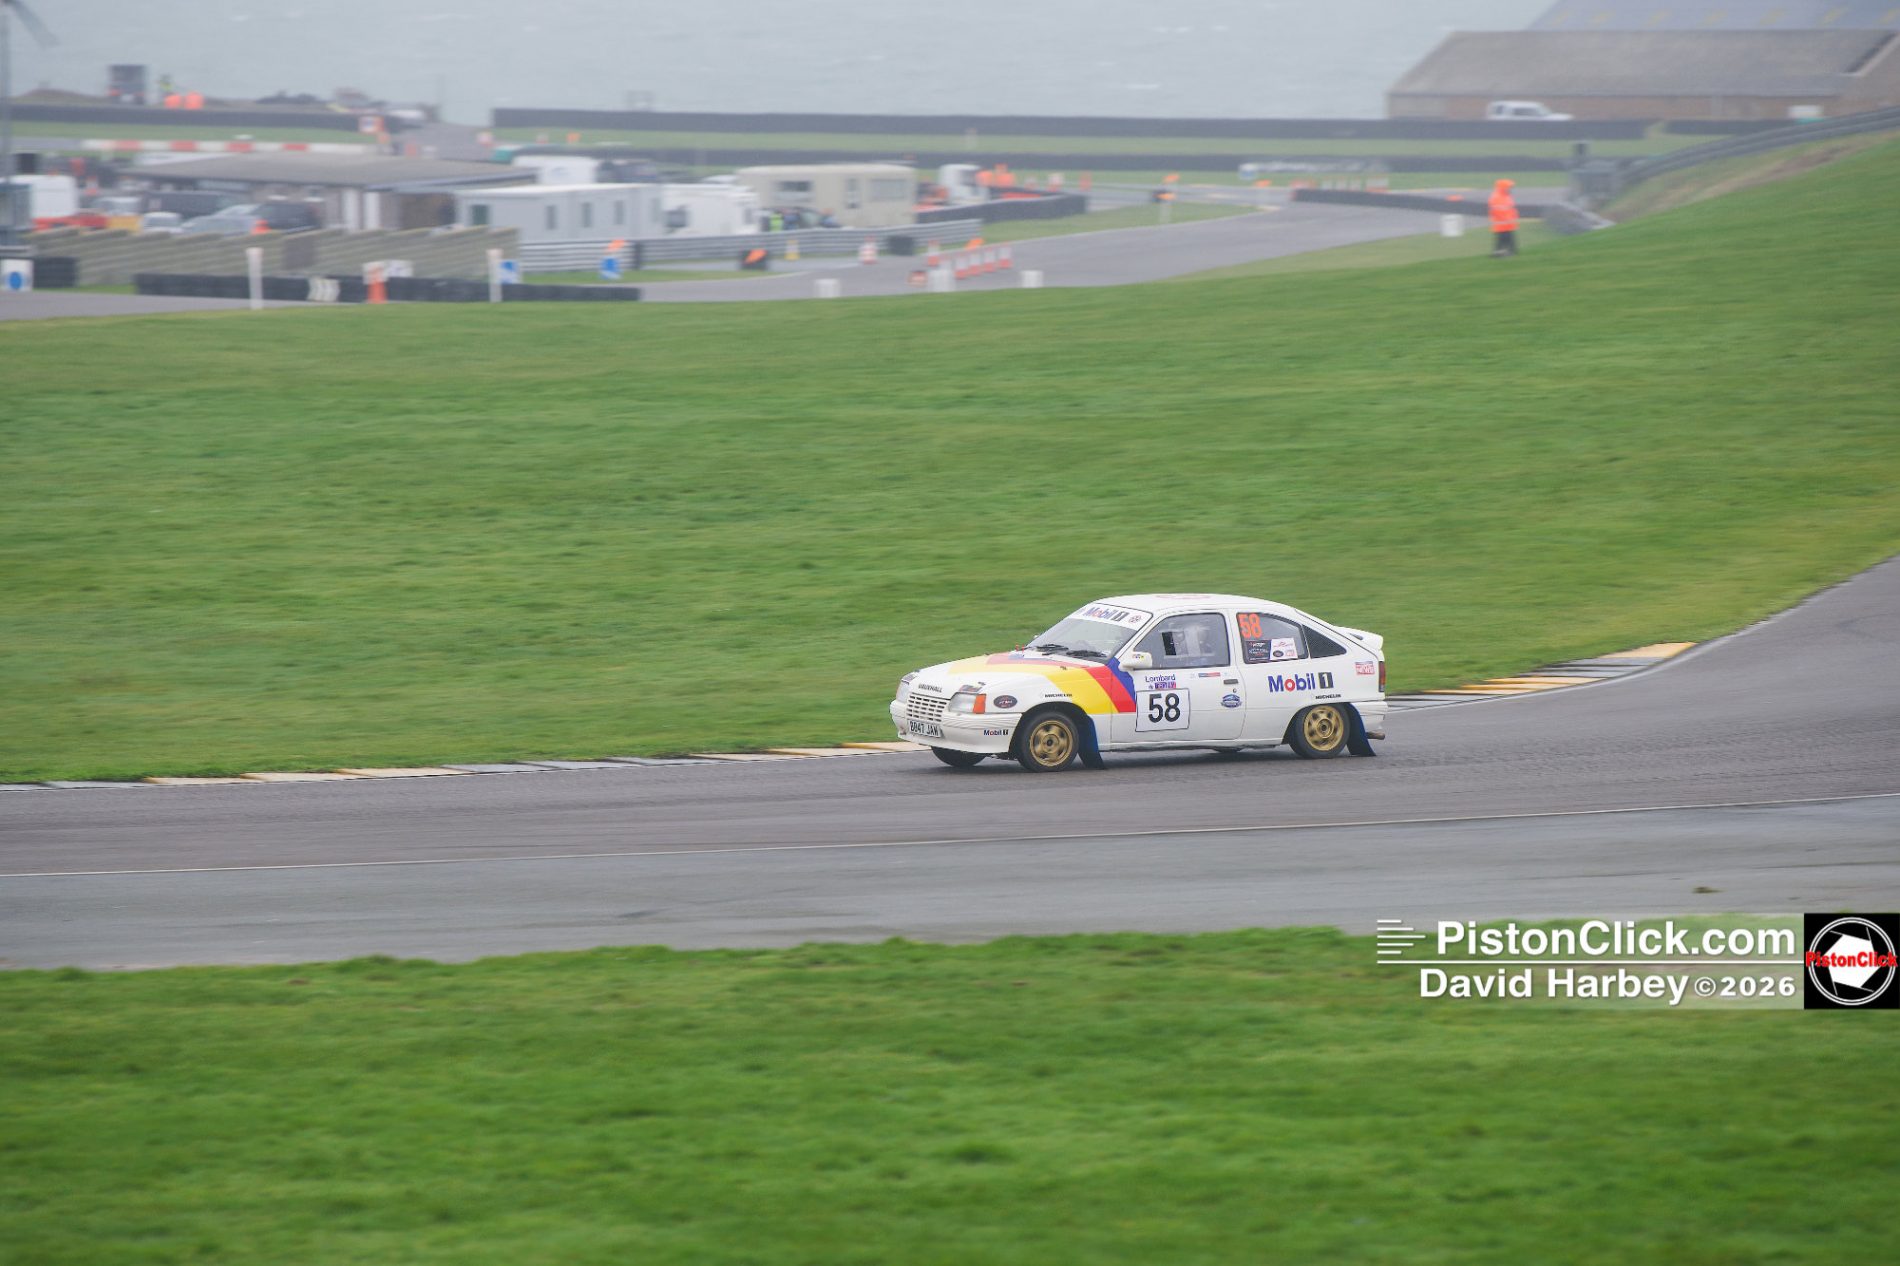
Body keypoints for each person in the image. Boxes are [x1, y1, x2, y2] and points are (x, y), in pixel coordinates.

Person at [1489, 178, 1519, 257]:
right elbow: (1498, 212)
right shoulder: (1497, 197)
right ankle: (1500, 253)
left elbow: (1511, 209)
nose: (1510, 189)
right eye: (1509, 187)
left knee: (1507, 241)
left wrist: (1513, 218)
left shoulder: (1506, 196)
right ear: (1503, 187)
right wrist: (1508, 219)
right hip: (1502, 225)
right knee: (1502, 241)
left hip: (1508, 225)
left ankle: (1507, 252)